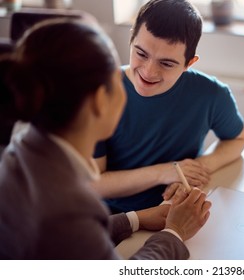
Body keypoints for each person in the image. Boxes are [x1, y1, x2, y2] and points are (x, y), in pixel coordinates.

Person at [0, 18, 211, 260]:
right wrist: (175, 232)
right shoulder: (67, 208)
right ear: (101, 100)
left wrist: (134, 219)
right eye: (120, 81)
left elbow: (69, 241)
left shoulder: (22, 147)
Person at [93, 0, 244, 213]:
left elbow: (237, 138)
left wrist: (195, 170)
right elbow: (93, 184)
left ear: (189, 63)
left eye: (166, 64)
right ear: (131, 40)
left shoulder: (212, 94)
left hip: (179, 211)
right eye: (141, 53)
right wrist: (166, 172)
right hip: (116, 221)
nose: (149, 72)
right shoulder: (98, 92)